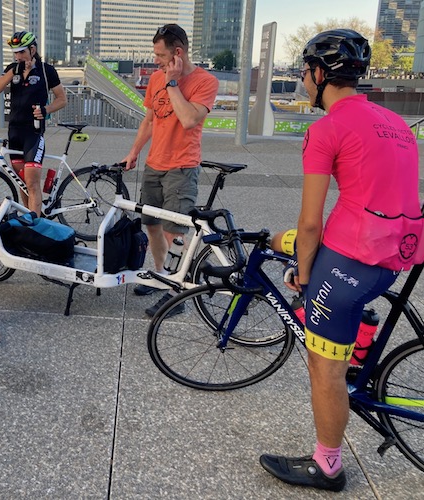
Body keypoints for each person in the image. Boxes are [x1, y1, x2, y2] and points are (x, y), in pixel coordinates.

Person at [259, 29, 424, 492]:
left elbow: (310, 224)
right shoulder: (395, 124)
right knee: (281, 241)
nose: (304, 84)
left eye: (304, 75)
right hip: (394, 254)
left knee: (322, 364)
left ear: (319, 74)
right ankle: (359, 338)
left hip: (352, 258)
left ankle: (327, 465)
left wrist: (306, 276)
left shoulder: (326, 128)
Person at [121, 24, 218, 317]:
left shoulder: (205, 82)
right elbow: (149, 120)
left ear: (178, 52)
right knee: (151, 224)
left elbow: (189, 119)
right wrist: (135, 151)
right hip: (154, 163)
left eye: (160, 55)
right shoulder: (156, 79)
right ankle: (162, 275)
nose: (157, 62)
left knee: (173, 232)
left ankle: (178, 293)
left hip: (182, 166)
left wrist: (173, 83)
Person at [0, 31, 67, 214]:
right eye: (15, 53)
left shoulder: (47, 70)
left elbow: (62, 99)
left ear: (33, 49)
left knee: (32, 183)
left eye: (21, 52)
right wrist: (14, 71)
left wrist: (46, 110)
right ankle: (28, 220)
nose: (17, 56)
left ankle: (37, 227)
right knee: (22, 183)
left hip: (33, 133)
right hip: (14, 132)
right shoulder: (13, 68)